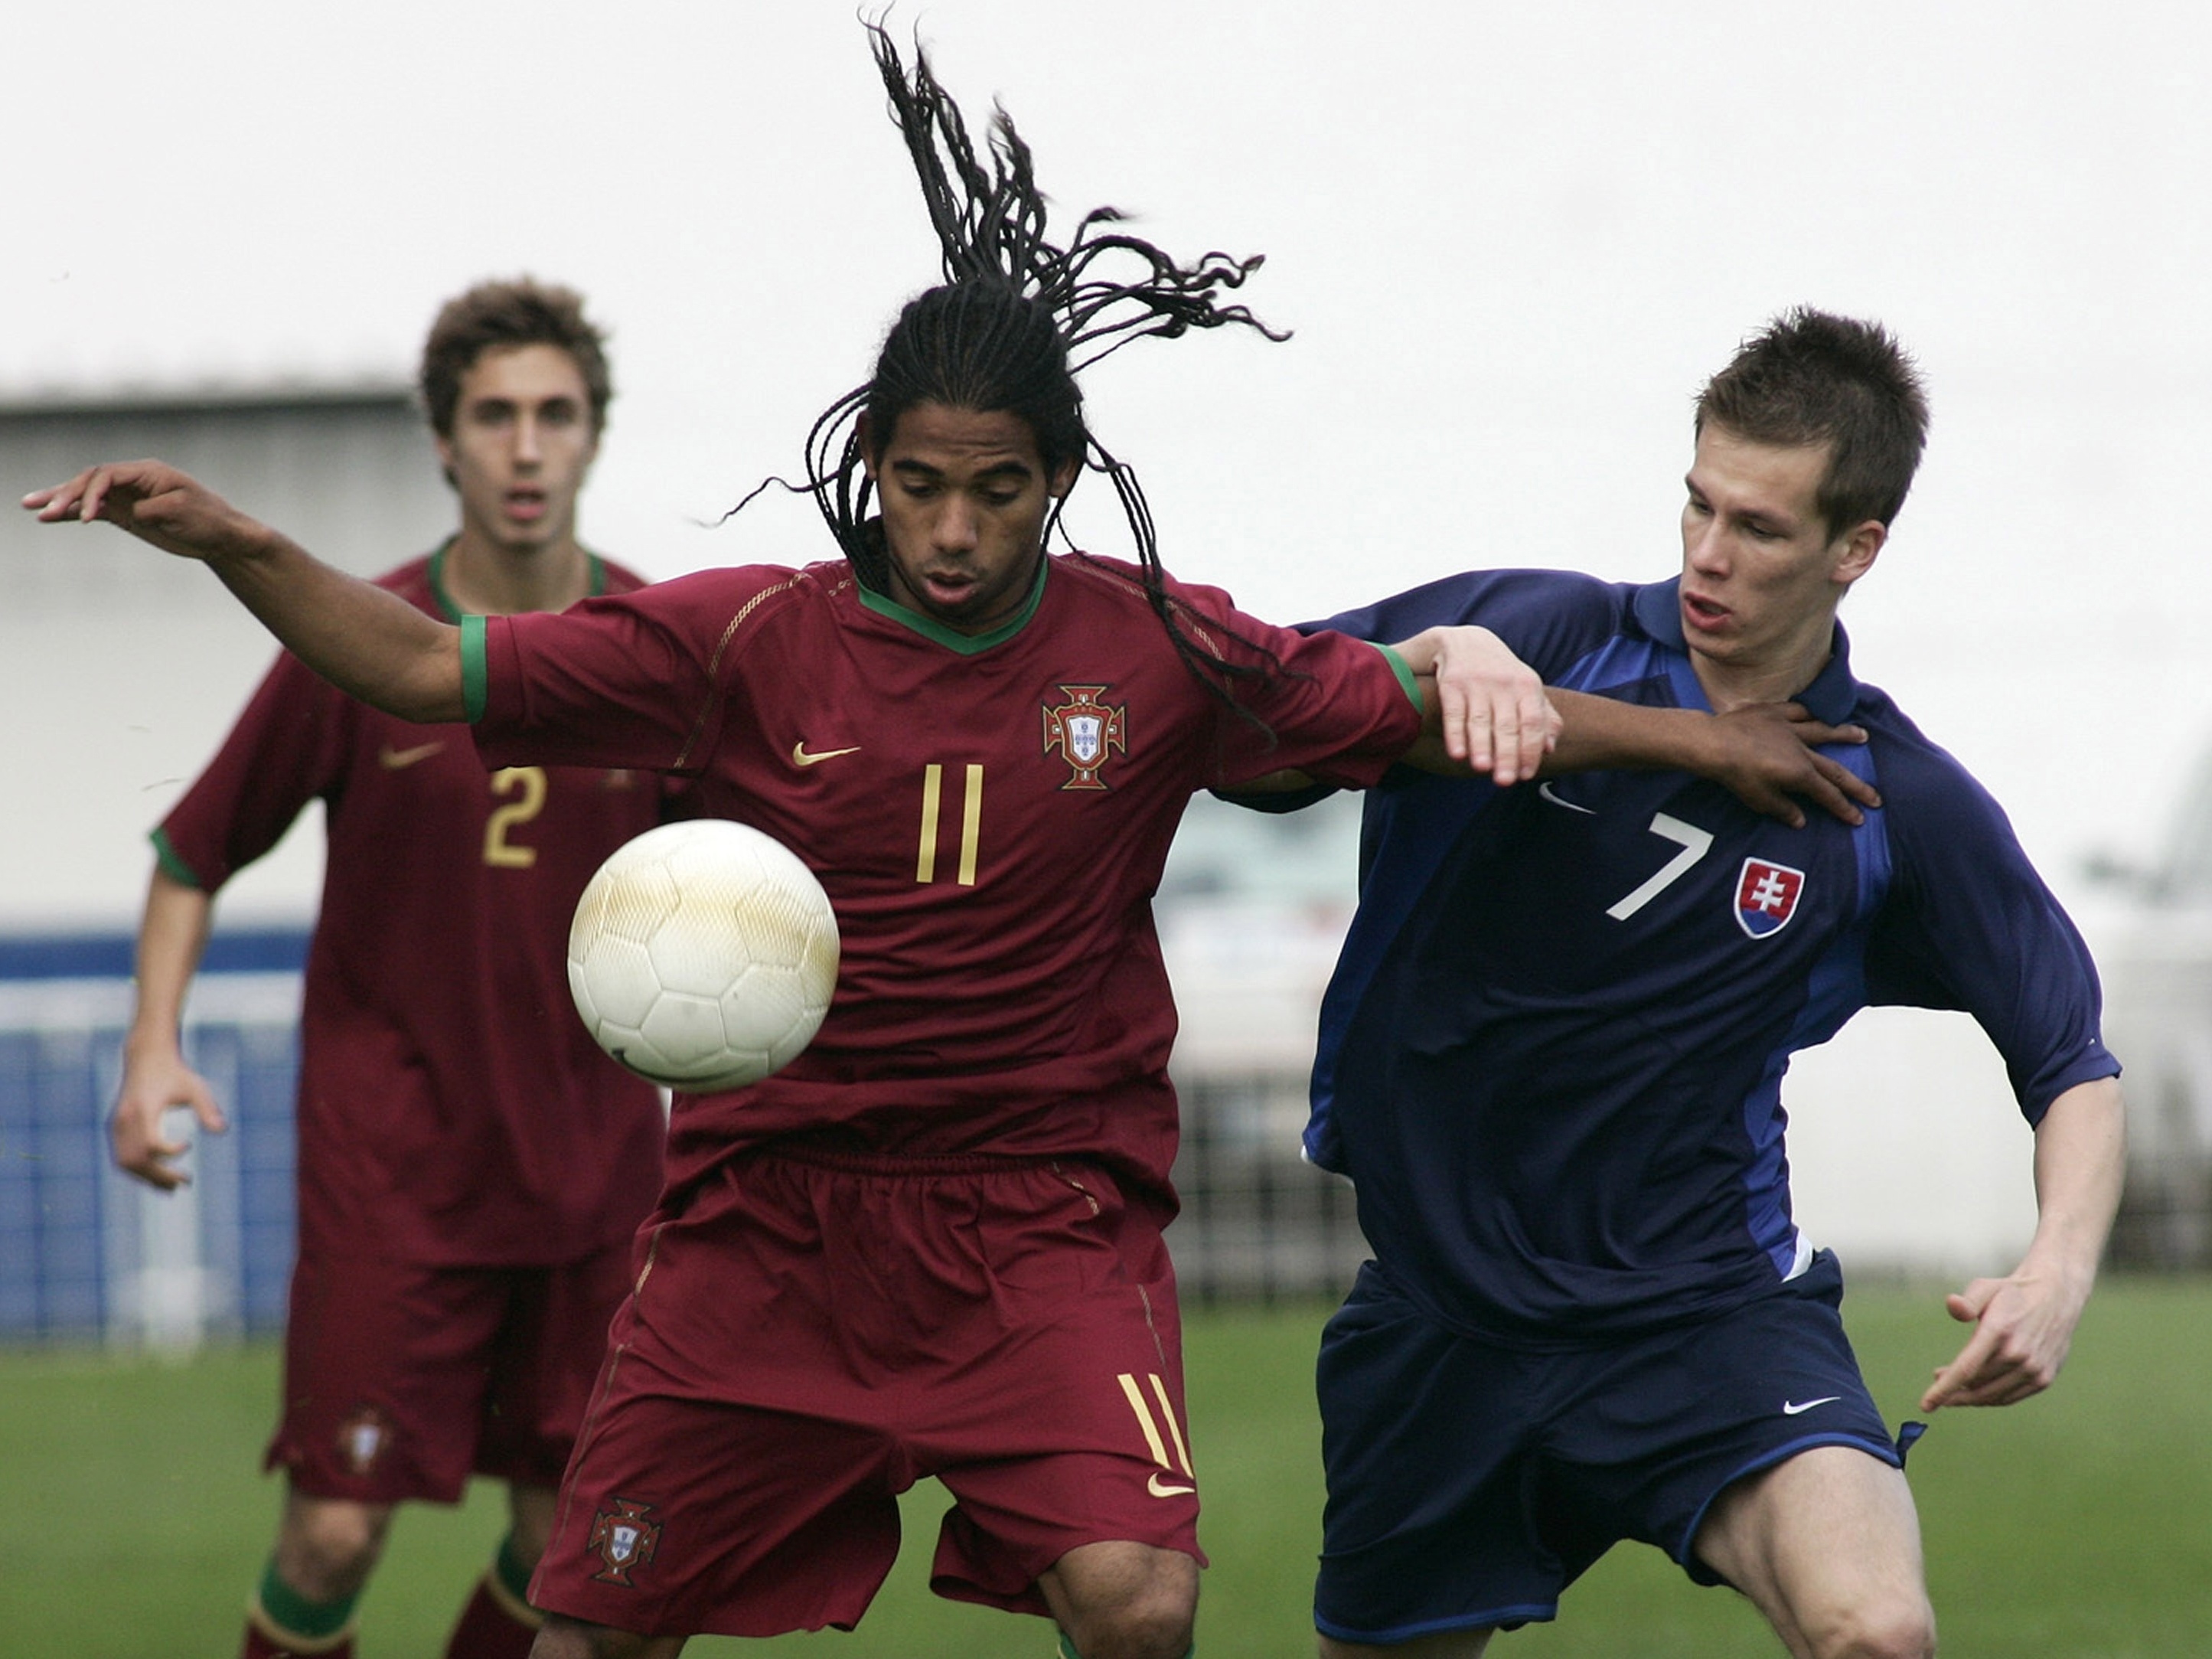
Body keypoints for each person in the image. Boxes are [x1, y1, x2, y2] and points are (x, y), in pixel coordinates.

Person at [28, 34, 1871, 1659]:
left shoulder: (1152, 645)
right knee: (586, 1622)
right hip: (767, 1229)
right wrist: (234, 544)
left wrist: (1700, 733)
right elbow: (424, 662)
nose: (955, 528)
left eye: (998, 490)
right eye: (919, 484)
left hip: (1036, 1232)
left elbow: (1420, 704)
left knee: (1136, 1594)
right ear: (869, 466)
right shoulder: (743, 639)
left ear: (1054, 483)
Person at [1261, 309, 2127, 1658]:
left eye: (1762, 530)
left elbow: (2069, 1059)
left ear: (1857, 549)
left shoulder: (1887, 797)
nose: (1709, 556)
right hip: (1440, 1321)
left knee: (1877, 1632)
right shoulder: (1531, 632)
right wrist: (1431, 660)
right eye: (1696, 505)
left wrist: (2057, 1272)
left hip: (1704, 1318)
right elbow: (1245, 725)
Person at [105, 279, 672, 1659]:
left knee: (563, 1552)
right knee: (334, 1533)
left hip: (597, 1183)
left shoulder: (659, 653)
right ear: (442, 440)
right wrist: (149, 1049)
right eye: (494, 416)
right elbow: (194, 851)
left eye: (554, 414)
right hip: (395, 1180)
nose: (525, 446)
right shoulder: (356, 638)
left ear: (595, 436)